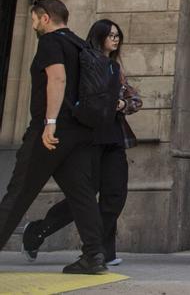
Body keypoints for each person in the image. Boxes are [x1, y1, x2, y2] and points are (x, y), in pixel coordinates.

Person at [0, 0, 107, 274]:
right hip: (79, 132)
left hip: (51, 131)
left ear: (45, 18)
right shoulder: (80, 44)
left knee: (20, 190)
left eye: (35, 19)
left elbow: (57, 79)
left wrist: (49, 123)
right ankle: (94, 256)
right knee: (81, 194)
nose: (33, 24)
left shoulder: (50, 42)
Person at [23, 20, 142, 267]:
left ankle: (101, 251)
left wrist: (122, 104)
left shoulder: (114, 68)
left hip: (113, 139)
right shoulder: (84, 61)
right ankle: (39, 230)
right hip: (89, 140)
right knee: (83, 198)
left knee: (115, 195)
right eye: (111, 35)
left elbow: (135, 99)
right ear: (98, 36)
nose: (115, 39)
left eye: (118, 35)